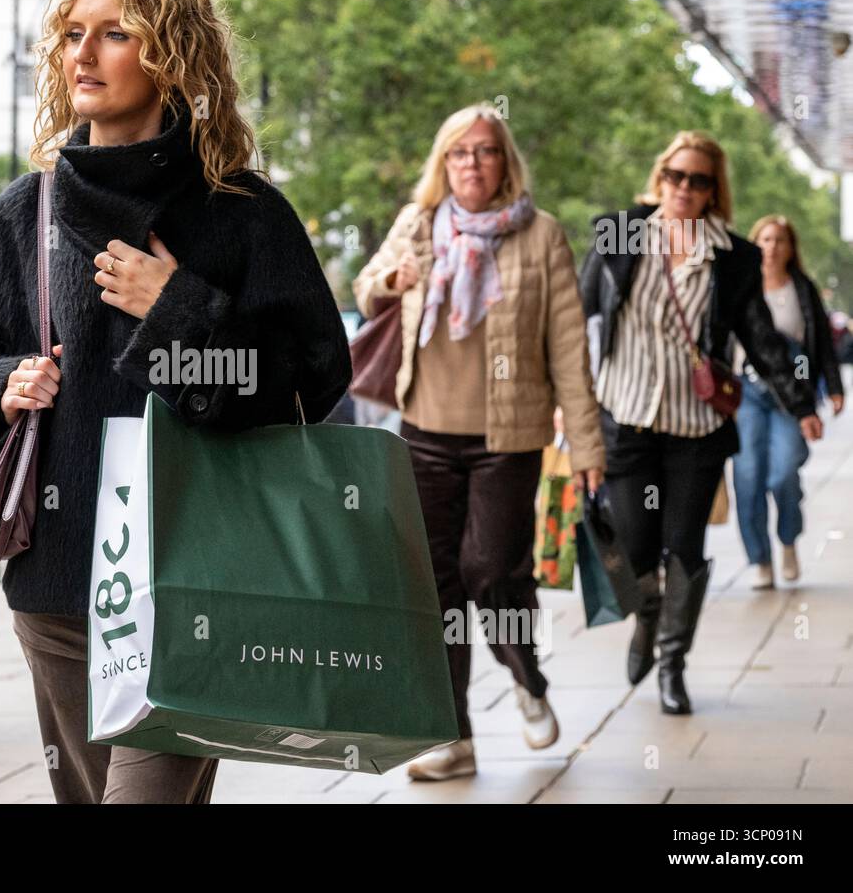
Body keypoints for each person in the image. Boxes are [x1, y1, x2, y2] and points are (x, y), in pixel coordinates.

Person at [0, 0, 350, 804]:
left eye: (115, 34)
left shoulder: (242, 211)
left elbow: (311, 380)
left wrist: (180, 309)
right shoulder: (24, 213)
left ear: (171, 58)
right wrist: (3, 386)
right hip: (59, 587)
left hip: (197, 581)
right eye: (73, 34)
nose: (82, 53)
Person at [353, 104, 604, 781]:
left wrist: (587, 448)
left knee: (493, 571)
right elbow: (367, 286)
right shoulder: (417, 224)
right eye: (459, 153)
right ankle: (453, 737)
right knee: (435, 588)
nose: (472, 163)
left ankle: (526, 677)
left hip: (508, 438)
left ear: (506, 162)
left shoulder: (542, 236)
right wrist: (389, 283)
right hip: (422, 434)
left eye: (486, 151)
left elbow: (570, 351)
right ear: (444, 163)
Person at [580, 132, 819, 715]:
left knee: (683, 547)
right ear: (661, 176)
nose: (685, 188)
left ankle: (673, 664)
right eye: (677, 176)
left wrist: (800, 402)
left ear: (715, 190)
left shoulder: (734, 256)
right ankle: (646, 618)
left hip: (696, 428)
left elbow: (760, 338)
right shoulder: (618, 233)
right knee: (635, 547)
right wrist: (570, 401)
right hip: (628, 415)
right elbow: (581, 315)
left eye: (699, 180)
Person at [731, 215, 843, 589]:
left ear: (791, 248)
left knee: (782, 473)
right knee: (748, 476)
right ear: (754, 243)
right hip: (747, 391)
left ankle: (788, 539)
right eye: (765, 239)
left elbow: (822, 343)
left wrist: (834, 386)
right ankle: (760, 559)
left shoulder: (802, 287)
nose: (772, 247)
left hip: (793, 393)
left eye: (780, 240)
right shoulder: (741, 285)